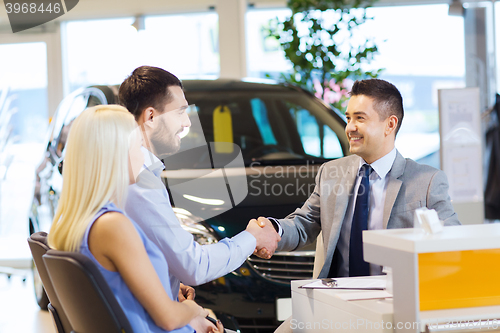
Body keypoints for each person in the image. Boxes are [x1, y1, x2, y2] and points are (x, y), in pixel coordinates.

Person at [256, 79, 461, 332]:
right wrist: (273, 231)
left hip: (393, 308)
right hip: (333, 301)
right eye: (348, 118)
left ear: (390, 124)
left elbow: (453, 244)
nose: (350, 127)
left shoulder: (426, 181)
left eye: (360, 118)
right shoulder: (331, 172)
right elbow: (304, 223)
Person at [47, 105, 223, 333]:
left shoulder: (81, 223)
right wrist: (195, 310)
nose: (142, 156)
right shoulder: (112, 225)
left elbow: (114, 290)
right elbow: (168, 318)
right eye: (138, 146)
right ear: (115, 155)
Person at [118, 66, 280, 303]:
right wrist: (252, 237)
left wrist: (168, 281)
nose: (187, 123)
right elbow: (194, 266)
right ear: (151, 116)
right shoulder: (138, 181)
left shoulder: (138, 173)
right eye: (181, 112)